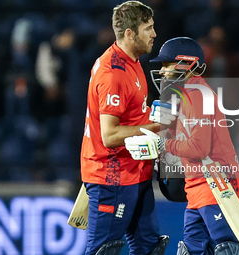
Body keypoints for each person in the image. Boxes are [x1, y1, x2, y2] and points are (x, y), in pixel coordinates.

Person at [125, 37, 239, 255]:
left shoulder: (199, 95)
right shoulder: (188, 93)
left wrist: (163, 143)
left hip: (219, 184)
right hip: (198, 186)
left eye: (166, 65)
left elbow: (198, 148)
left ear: (185, 63)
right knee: (192, 251)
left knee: (225, 250)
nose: (162, 71)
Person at [80, 1, 169, 255]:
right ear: (129, 33)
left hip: (135, 171)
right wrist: (157, 127)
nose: (154, 34)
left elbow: (131, 116)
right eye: (148, 28)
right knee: (103, 250)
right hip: (112, 177)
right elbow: (109, 135)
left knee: (150, 248)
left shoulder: (132, 60)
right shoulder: (113, 73)